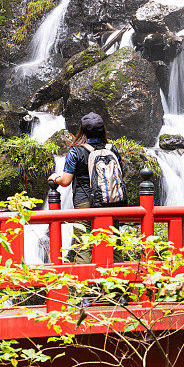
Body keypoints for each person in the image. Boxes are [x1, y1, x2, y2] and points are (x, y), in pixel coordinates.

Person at [48, 112, 124, 264]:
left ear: (82, 130)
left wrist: (55, 178)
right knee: (113, 243)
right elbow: (121, 172)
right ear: (103, 130)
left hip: (85, 203)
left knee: (84, 245)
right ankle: (117, 284)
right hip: (110, 201)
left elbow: (66, 181)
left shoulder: (76, 151)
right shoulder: (111, 149)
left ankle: (86, 284)